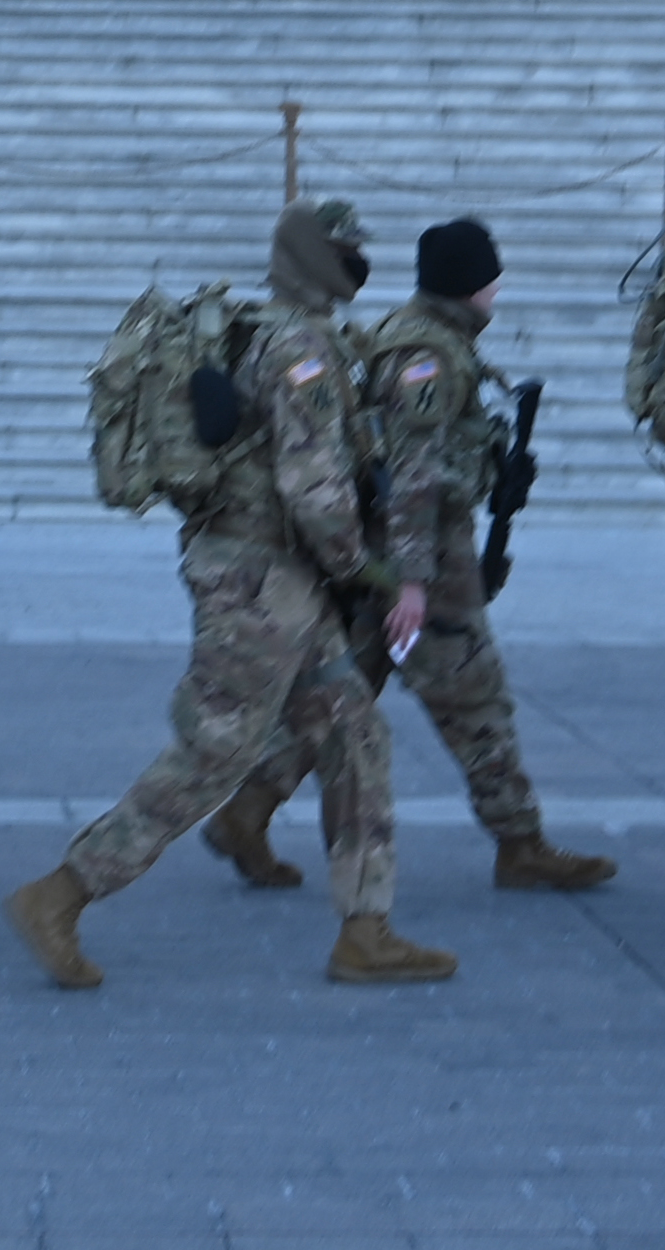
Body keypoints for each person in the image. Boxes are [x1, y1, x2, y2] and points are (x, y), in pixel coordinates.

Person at [9, 200, 451, 990]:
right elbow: (313, 486)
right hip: (260, 581)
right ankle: (62, 893)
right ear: (316, 260)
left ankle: (365, 929)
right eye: (347, 249)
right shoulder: (301, 349)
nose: (359, 261)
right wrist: (369, 572)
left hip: (274, 578)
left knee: (354, 732)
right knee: (212, 754)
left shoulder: (268, 329)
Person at [207, 217, 617, 898]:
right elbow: (415, 477)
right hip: (420, 559)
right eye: (490, 276)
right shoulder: (427, 358)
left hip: (393, 556)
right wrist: (416, 584)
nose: (497, 289)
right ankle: (520, 842)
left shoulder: (425, 340)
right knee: (474, 696)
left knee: (338, 695)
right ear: (470, 283)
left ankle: (245, 812)